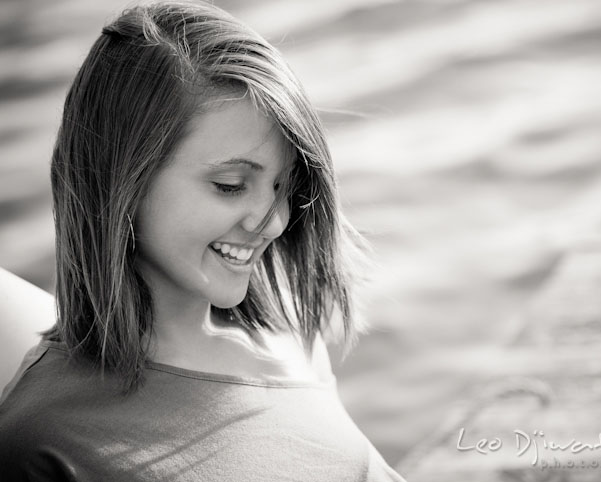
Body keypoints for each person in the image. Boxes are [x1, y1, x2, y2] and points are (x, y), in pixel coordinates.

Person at [0, 2, 407, 480]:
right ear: (121, 182)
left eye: (283, 185)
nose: (273, 222)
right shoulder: (46, 437)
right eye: (231, 185)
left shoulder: (291, 337)